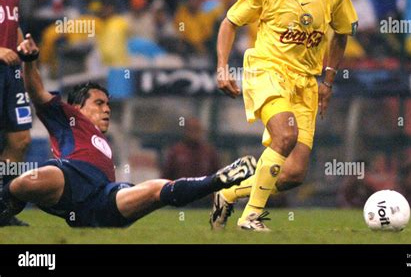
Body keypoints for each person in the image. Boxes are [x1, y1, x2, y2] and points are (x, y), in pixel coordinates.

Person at [0, 34, 257, 228]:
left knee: (157, 189)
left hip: (101, 200)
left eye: (108, 105)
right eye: (99, 103)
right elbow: (37, 92)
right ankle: (6, 205)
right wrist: (31, 61)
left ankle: (218, 181)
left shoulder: (102, 140)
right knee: (30, 179)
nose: (107, 109)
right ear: (77, 107)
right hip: (68, 180)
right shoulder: (68, 117)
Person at [211, 0, 358, 231]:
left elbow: (342, 33)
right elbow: (230, 22)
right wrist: (222, 67)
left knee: (293, 173)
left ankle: (228, 193)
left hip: (305, 81)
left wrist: (328, 81)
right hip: (267, 69)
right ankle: (251, 217)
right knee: (285, 136)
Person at [0, 0, 32, 226]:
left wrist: (22, 45)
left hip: (11, 71)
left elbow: (13, 22)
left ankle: (2, 208)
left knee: (20, 140)